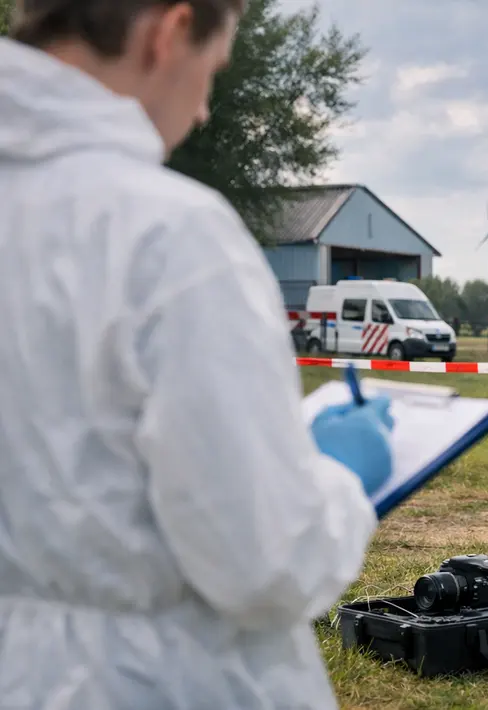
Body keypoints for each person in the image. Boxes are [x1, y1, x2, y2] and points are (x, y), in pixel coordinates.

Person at [0, 2, 393, 707]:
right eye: (213, 71)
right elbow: (261, 565)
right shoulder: (169, 234)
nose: (206, 110)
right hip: (158, 677)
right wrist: (338, 477)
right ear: (169, 31)